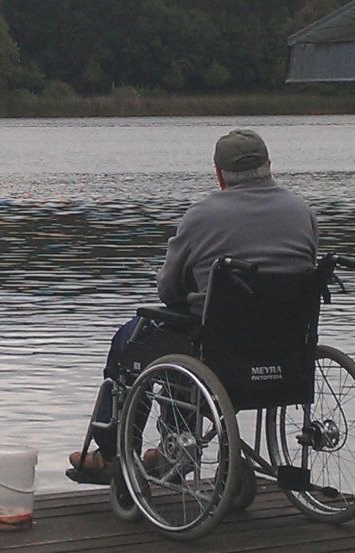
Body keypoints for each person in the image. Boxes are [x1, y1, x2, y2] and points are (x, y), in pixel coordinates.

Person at [69, 129, 318, 476]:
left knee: (134, 339)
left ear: (219, 174)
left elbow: (168, 291)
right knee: (179, 341)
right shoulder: (301, 211)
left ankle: (116, 452)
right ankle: (175, 447)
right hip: (286, 352)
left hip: (220, 352)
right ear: (269, 166)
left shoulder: (203, 216)